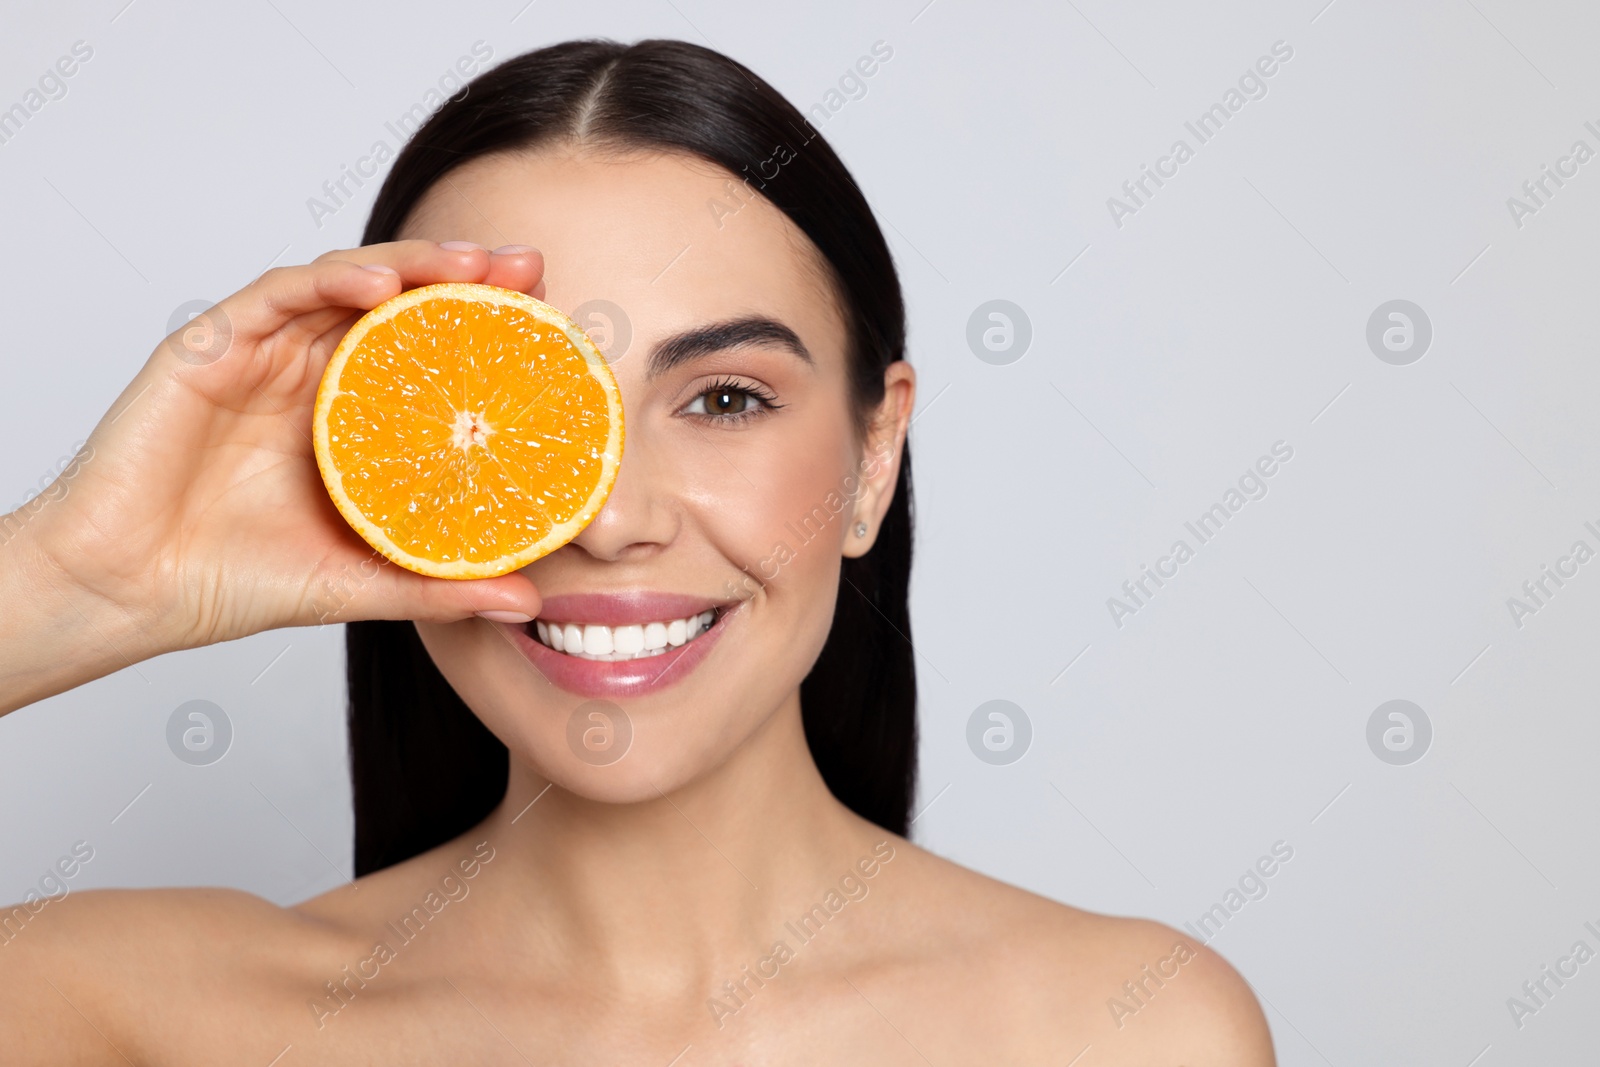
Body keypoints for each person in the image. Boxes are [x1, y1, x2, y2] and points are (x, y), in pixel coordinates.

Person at [0, 38, 1274, 1063]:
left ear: (872, 457)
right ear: (382, 471)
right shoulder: (112, 1014)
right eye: (518, 421)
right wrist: (73, 579)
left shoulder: (1132, 1027)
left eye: (724, 398)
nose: (609, 520)